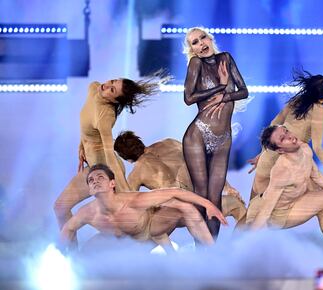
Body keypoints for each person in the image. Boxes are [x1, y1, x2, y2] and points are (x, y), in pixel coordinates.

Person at [248, 72, 323, 248]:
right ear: (321, 98)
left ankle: (237, 250)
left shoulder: (297, 101)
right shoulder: (319, 110)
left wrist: (264, 151)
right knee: (322, 210)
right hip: (288, 156)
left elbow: (274, 122)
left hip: (271, 155)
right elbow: (317, 147)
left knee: (251, 211)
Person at [54, 77, 161, 231]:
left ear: (115, 101)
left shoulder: (106, 116)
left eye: (112, 90)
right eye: (112, 82)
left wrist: (124, 189)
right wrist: (81, 145)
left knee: (127, 221)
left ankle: (153, 234)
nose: (107, 85)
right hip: (93, 166)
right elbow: (86, 125)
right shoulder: (93, 87)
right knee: (60, 207)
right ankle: (70, 253)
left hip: (106, 169)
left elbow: (110, 155)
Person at [60, 164, 227, 251]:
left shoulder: (133, 201)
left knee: (185, 208)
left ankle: (212, 253)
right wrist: (68, 253)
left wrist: (209, 204)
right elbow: (68, 229)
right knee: (83, 256)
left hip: (149, 231)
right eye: (91, 180)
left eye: (100, 177)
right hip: (121, 243)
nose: (95, 181)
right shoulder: (86, 213)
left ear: (112, 184)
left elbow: (174, 191)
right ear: (89, 190)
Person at [182, 27, 248, 238]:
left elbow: (244, 91)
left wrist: (225, 97)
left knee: (214, 198)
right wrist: (220, 88)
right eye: (194, 42)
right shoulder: (196, 64)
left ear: (210, 39)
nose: (201, 44)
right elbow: (189, 98)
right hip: (198, 135)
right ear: (191, 49)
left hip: (223, 139)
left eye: (202, 38)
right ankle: (200, 251)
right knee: (201, 197)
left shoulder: (225, 59)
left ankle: (211, 254)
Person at [247, 125, 323, 256]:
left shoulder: (304, 148)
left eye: (286, 131)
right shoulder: (282, 171)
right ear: (280, 150)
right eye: (283, 138)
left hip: (294, 201)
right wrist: (247, 243)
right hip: (278, 215)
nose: (290, 136)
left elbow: (316, 175)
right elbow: (266, 211)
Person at [114, 131, 246, 223]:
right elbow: (204, 162)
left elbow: (128, 206)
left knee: (143, 228)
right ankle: (244, 251)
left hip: (182, 212)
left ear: (125, 157)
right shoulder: (169, 143)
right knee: (238, 207)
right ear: (139, 141)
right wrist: (228, 187)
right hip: (198, 202)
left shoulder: (136, 174)